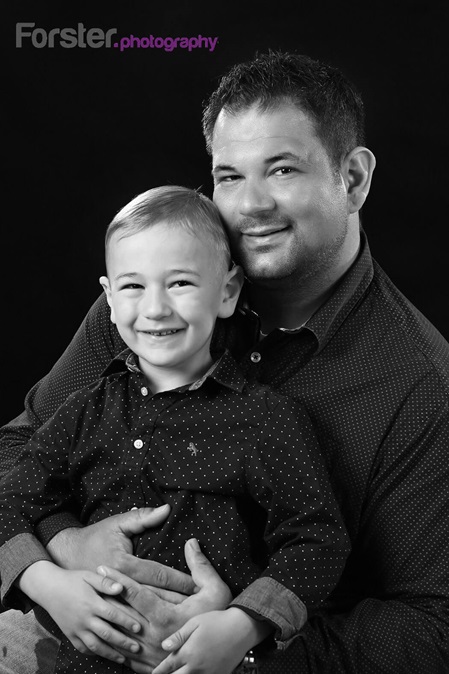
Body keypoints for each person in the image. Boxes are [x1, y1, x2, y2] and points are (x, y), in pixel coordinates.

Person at [1, 50, 449, 673]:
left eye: (283, 168)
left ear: (353, 179)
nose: (250, 206)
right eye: (230, 176)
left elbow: (433, 626)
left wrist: (240, 642)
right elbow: (17, 451)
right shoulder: (157, 296)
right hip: (83, 624)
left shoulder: (419, 383)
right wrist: (60, 550)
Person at [0, 185, 349, 674]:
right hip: (68, 652)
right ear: (108, 296)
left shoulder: (267, 419)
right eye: (133, 286)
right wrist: (45, 582)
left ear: (227, 292)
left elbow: (317, 538)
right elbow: (11, 499)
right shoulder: (85, 410)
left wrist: (244, 625)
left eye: (180, 283)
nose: (156, 308)